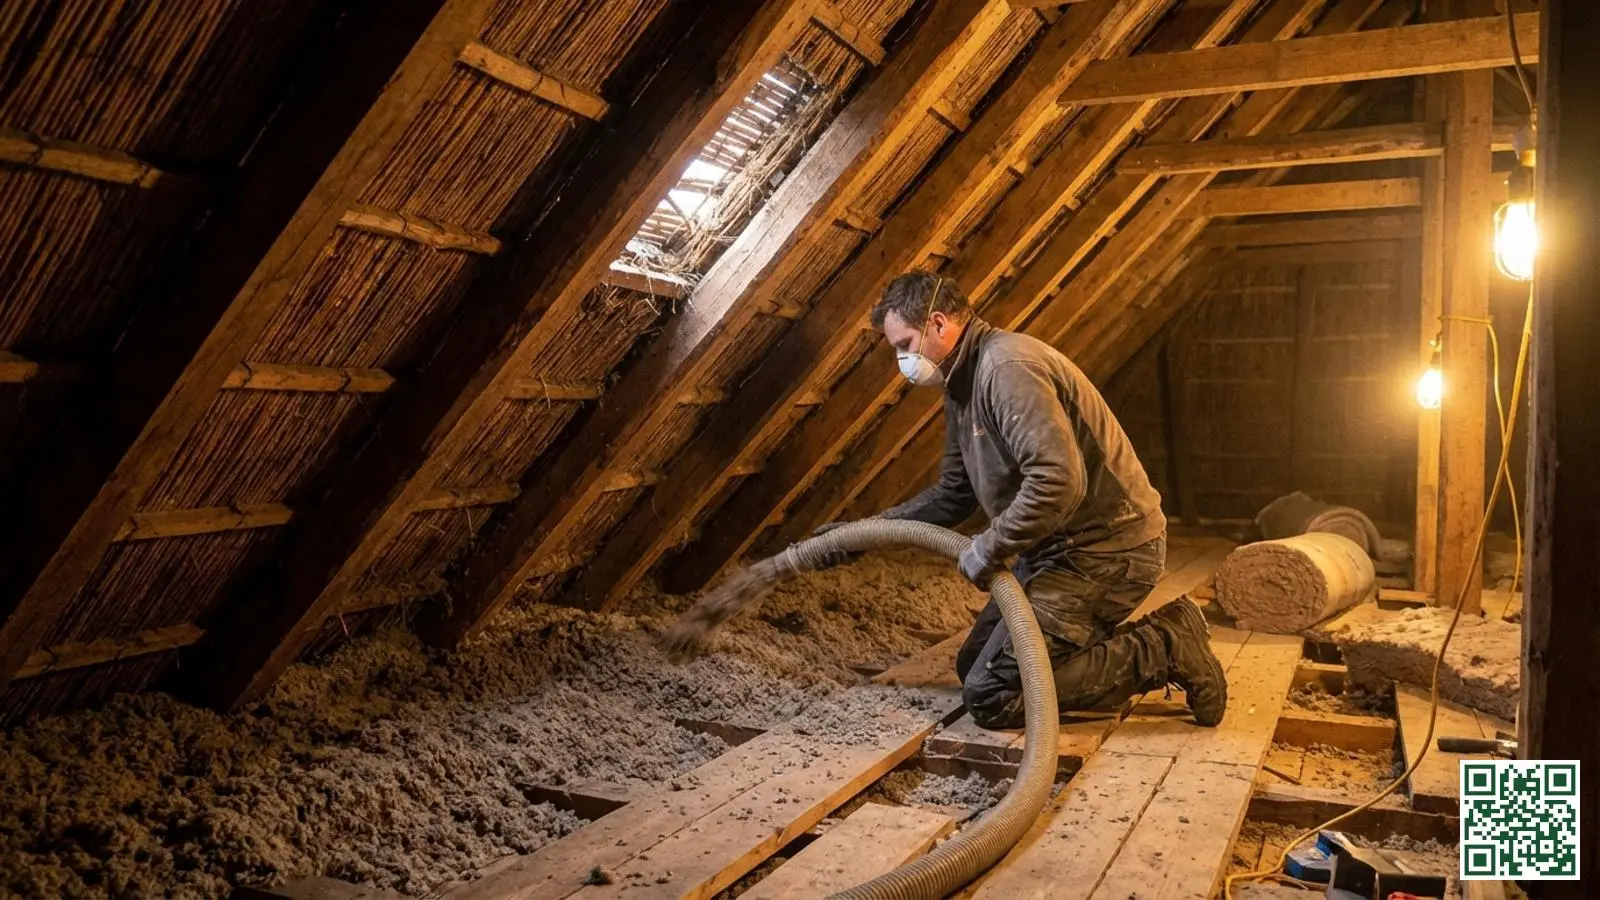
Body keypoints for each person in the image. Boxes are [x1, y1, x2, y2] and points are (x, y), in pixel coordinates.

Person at [820, 270, 1227, 729]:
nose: (902, 360)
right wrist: (856, 536)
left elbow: (1057, 481)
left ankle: (1166, 646)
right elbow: (955, 495)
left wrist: (990, 546)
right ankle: (1098, 648)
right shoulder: (962, 384)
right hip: (1056, 554)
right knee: (974, 662)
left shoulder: (1006, 369)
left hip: (1106, 553)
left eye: (904, 344)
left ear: (938, 323)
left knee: (992, 694)